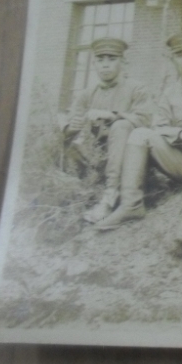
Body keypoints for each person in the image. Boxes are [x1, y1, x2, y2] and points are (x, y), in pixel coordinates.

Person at [94, 31, 182, 231]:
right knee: (140, 134)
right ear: (173, 59)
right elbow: (158, 126)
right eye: (180, 55)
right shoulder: (170, 93)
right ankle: (131, 205)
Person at [62, 37, 152, 224]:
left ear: (123, 61)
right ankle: (74, 194)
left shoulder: (136, 88)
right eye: (100, 59)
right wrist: (71, 127)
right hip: (96, 159)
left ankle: (110, 197)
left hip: (128, 161)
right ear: (94, 63)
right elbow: (70, 123)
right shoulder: (86, 94)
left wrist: (113, 115)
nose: (105, 65)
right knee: (64, 136)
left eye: (112, 59)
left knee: (121, 126)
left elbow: (146, 120)